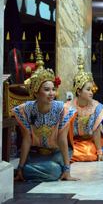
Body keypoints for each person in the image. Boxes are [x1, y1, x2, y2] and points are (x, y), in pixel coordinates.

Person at [13, 39, 77, 182]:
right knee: (33, 169)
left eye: (53, 89)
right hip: (35, 155)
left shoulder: (62, 109)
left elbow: (62, 140)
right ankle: (24, 170)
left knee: (54, 170)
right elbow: (27, 140)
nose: (51, 93)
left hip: (56, 154)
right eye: (46, 90)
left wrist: (67, 170)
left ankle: (51, 170)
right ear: (36, 92)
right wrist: (21, 167)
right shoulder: (26, 109)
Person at [67, 55, 103, 162]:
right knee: (72, 154)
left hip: (91, 142)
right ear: (78, 91)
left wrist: (100, 152)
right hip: (74, 143)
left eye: (92, 90)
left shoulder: (96, 107)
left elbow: (96, 131)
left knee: (89, 154)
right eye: (88, 89)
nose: (91, 92)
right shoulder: (68, 107)